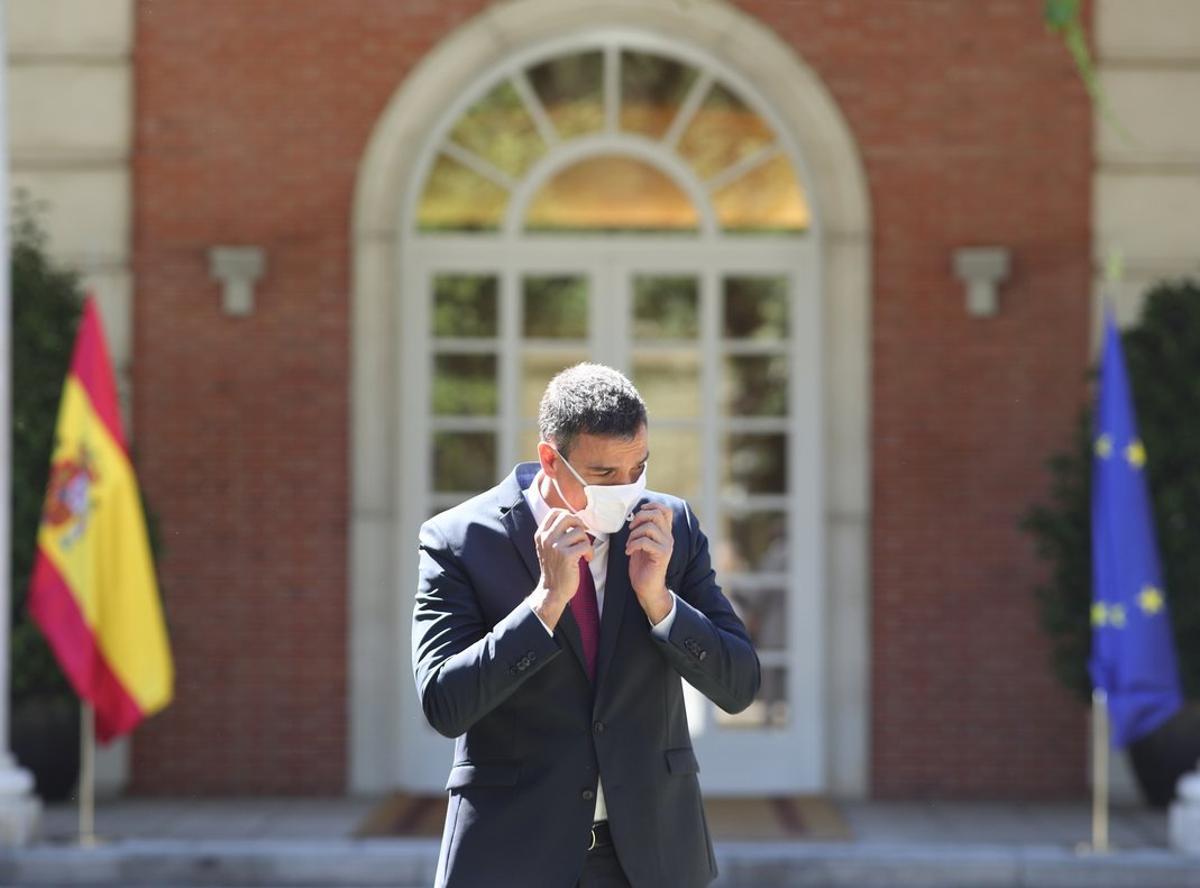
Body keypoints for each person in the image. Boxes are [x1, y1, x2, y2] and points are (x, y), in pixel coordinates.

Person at [413, 363, 761, 888]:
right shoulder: (459, 540)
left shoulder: (672, 528)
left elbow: (739, 687)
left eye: (638, 470)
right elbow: (444, 703)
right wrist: (545, 604)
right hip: (511, 854)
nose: (626, 492)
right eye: (603, 476)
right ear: (550, 459)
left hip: (650, 856)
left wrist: (659, 600)